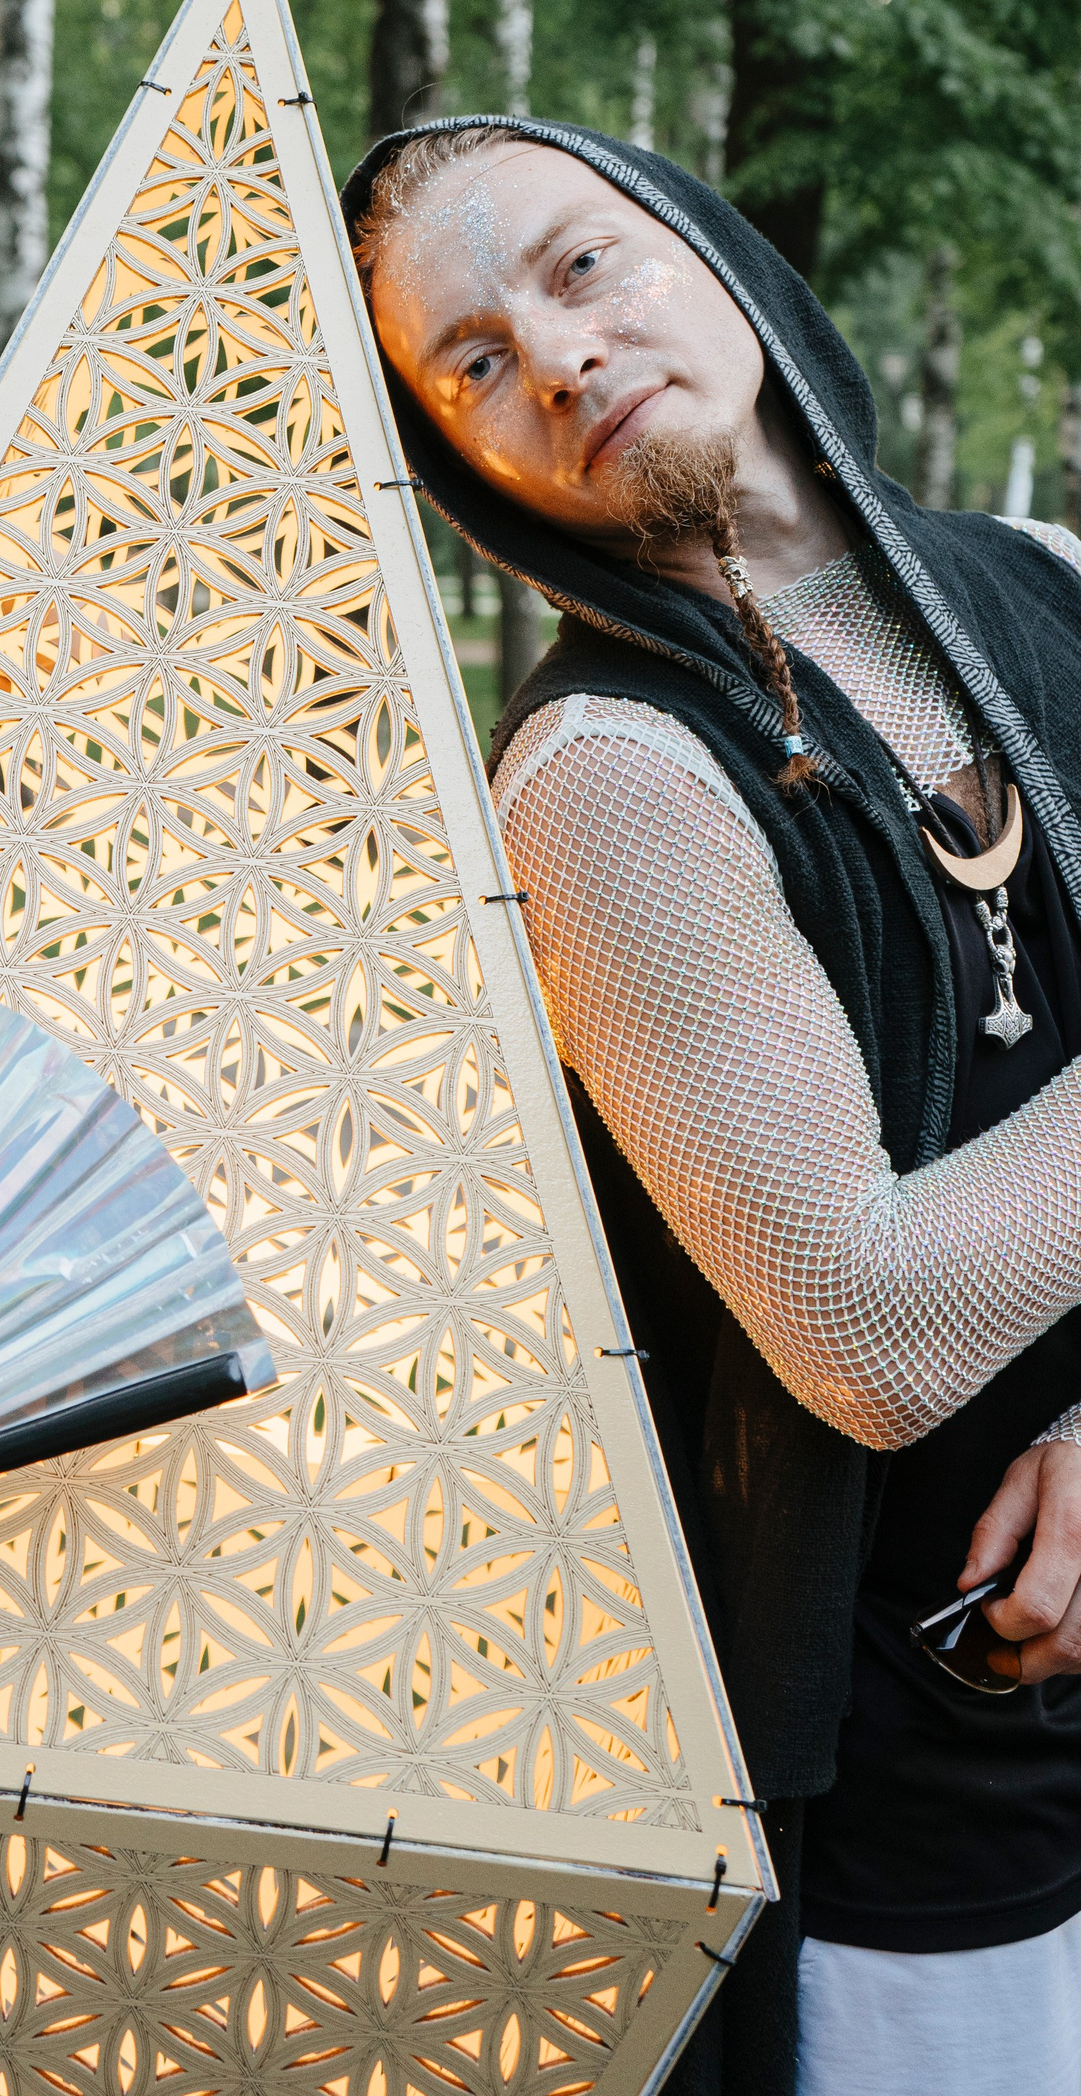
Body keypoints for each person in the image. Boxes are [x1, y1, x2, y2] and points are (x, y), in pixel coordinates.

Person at [343, 117, 1081, 2096]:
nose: (554, 356)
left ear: (709, 248)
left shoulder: (1047, 589)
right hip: (937, 1796)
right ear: (460, 460)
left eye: (579, 266)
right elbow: (868, 1323)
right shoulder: (609, 774)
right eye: (471, 364)